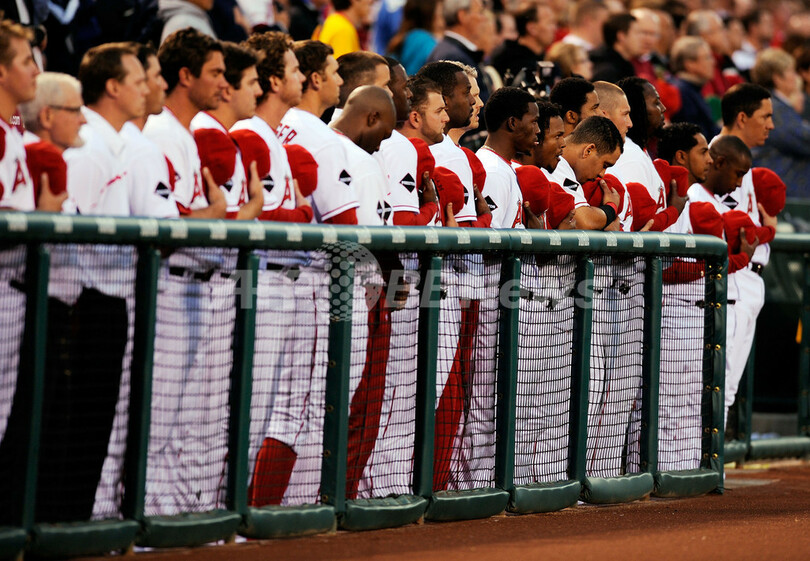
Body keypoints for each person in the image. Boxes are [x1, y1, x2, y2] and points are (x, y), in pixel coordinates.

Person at [142, 28, 231, 516]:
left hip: (193, 287)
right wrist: (215, 214)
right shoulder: (161, 134)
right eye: (215, 72)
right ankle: (141, 520)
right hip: (168, 285)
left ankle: (167, 516)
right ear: (185, 75)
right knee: (157, 419)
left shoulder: (183, 133)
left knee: (183, 420)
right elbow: (168, 224)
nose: (223, 83)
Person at [712, 83, 777, 424]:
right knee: (719, 389)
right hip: (733, 280)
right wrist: (770, 229)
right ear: (742, 117)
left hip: (746, 280)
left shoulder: (742, 160)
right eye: (765, 116)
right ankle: (705, 458)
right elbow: (735, 233)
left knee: (726, 389)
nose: (771, 125)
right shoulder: (719, 158)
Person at [191, 41, 264, 220]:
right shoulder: (208, 136)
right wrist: (255, 204)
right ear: (227, 90)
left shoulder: (217, 132)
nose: (259, 91)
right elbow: (223, 222)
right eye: (251, 83)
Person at [750, 48, 810, 198]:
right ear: (778, 78)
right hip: (782, 181)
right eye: (791, 71)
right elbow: (803, 139)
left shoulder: (777, 105)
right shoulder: (773, 108)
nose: (796, 77)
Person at [426, 0, 490, 103]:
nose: (484, 18)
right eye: (480, 12)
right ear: (462, 15)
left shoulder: (451, 51)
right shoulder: (452, 56)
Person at [669, 36, 721, 141]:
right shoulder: (682, 92)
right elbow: (698, 137)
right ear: (690, 64)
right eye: (707, 57)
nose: (713, 62)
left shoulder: (693, 89)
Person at [489, 2, 557, 82]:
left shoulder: (547, 59)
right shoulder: (510, 61)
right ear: (532, 28)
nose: (554, 28)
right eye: (549, 23)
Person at [387, 0, 444, 76]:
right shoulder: (424, 41)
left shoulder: (406, 36)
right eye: (440, 13)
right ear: (430, 15)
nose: (443, 16)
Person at [590, 12, 644, 84]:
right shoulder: (606, 73)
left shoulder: (624, 67)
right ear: (621, 36)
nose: (642, 39)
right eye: (637, 33)